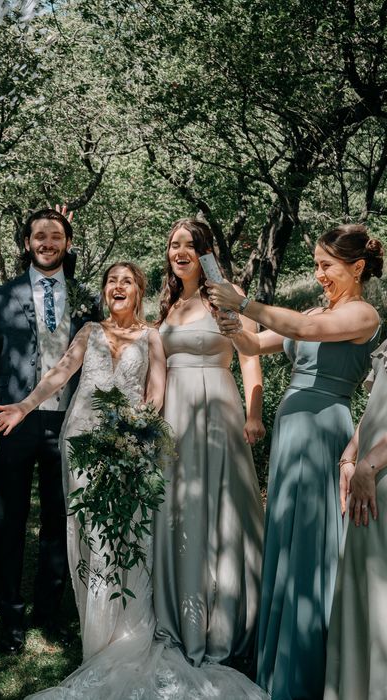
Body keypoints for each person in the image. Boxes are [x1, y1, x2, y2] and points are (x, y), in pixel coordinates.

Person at [0, 262, 267, 699]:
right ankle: (97, 634)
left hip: (127, 447)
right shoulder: (88, 332)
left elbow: (156, 391)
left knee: (129, 539)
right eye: (111, 281)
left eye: (127, 282)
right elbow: (59, 374)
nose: (118, 287)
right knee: (91, 536)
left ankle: (130, 631)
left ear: (138, 292)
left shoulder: (152, 336)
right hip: (83, 445)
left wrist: (136, 429)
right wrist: (23, 407)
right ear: (104, 291)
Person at [207, 223, 383, 700]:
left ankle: (303, 673)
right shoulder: (313, 309)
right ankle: (275, 663)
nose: (318, 274)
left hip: (323, 432)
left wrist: (245, 304)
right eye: (316, 265)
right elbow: (255, 345)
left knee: (310, 543)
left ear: (358, 268)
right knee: (285, 539)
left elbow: (304, 330)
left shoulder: (364, 314)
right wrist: (233, 322)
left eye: (326, 266)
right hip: (290, 435)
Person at [0, 207, 98, 653]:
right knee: (7, 522)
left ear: (67, 243)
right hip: (12, 420)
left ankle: (49, 613)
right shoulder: (0, 298)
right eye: (39, 236)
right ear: (27, 243)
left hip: (68, 423)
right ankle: (10, 617)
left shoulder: (88, 298)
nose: (47, 242)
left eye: (56, 235)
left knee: (58, 521)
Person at [153, 218, 265, 667]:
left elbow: (249, 353)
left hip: (217, 407)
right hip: (172, 417)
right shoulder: (167, 304)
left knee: (221, 508)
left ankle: (224, 620)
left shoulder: (222, 292)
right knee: (178, 507)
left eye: (189, 245)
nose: (180, 252)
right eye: (173, 245)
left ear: (205, 252)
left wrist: (254, 414)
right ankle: (179, 611)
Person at [325, 337, 387, 700]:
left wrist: (371, 464)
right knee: (362, 578)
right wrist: (350, 456)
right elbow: (377, 406)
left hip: (379, 470)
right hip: (367, 469)